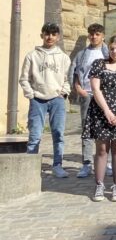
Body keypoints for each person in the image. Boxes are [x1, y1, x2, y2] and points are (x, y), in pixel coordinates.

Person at [82, 35, 116, 202]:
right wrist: (107, 111)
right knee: (102, 149)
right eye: (112, 48)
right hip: (101, 111)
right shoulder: (99, 64)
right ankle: (99, 184)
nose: (114, 51)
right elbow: (95, 89)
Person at [20, 22, 72, 179]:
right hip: (38, 100)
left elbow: (67, 78)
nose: (50, 37)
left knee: (58, 134)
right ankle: (30, 167)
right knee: (35, 134)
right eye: (47, 34)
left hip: (57, 99)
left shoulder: (63, 57)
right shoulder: (32, 56)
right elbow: (24, 79)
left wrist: (63, 93)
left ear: (58, 37)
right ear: (42, 35)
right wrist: (31, 94)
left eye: (53, 34)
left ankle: (57, 165)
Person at [69, 23, 111, 178]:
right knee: (87, 129)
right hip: (87, 94)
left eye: (97, 34)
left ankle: (107, 163)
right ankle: (87, 164)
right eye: (92, 34)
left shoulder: (109, 53)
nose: (94, 37)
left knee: (106, 128)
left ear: (103, 36)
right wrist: (77, 88)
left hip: (104, 96)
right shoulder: (82, 54)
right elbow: (75, 72)